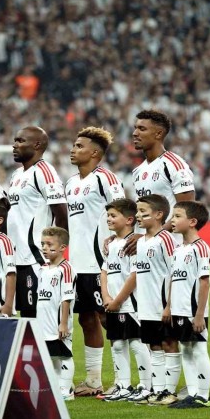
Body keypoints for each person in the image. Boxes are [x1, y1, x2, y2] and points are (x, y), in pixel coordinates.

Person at [65, 126, 125, 396]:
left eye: (80, 146)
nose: (73, 149)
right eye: (74, 145)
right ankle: (93, 380)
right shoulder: (70, 183)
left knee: (109, 319)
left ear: (95, 153)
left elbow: (124, 212)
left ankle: (126, 380)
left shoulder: (105, 179)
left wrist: (119, 247)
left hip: (100, 263)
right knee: (86, 320)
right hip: (76, 264)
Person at [8, 126, 68, 318]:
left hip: (35, 258)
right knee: (23, 317)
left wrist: (56, 252)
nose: (15, 145)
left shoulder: (44, 172)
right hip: (16, 257)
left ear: (37, 145)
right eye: (15, 140)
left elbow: (61, 213)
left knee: (38, 318)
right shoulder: (16, 175)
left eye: (20, 141)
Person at [100, 199, 152, 402]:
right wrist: (106, 297)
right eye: (108, 215)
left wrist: (118, 300)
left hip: (130, 304)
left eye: (113, 215)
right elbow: (104, 271)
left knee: (137, 343)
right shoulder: (111, 243)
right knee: (117, 345)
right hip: (112, 303)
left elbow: (134, 275)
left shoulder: (134, 244)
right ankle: (123, 386)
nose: (109, 219)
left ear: (129, 220)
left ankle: (146, 386)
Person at [133, 195, 181, 406]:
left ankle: (170, 391)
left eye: (143, 212)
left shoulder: (166, 239)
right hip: (146, 304)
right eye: (137, 211)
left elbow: (174, 272)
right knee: (153, 346)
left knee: (169, 344)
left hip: (162, 304)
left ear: (159, 214)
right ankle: (158, 390)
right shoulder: (140, 242)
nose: (138, 215)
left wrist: (169, 305)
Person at [167, 201, 210, 409]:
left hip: (193, 311)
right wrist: (169, 306)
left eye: (177, 216)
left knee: (199, 349)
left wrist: (200, 314)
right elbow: (173, 280)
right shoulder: (178, 249)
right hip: (178, 309)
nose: (172, 220)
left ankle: (203, 396)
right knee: (185, 348)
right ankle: (192, 393)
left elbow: (204, 282)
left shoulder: (200, 248)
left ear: (192, 222)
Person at [131, 110, 195, 229]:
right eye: (135, 128)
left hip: (169, 240)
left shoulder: (174, 165)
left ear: (158, 134)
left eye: (142, 129)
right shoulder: (137, 171)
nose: (135, 133)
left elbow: (188, 210)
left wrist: (156, 235)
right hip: (145, 240)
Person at [37, 227, 76, 401]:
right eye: (43, 244)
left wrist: (63, 323)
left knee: (64, 354)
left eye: (49, 244)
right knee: (51, 355)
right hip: (43, 321)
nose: (45, 248)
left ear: (62, 248)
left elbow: (66, 298)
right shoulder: (42, 268)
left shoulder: (65, 268)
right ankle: (57, 386)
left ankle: (66, 390)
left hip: (58, 321)